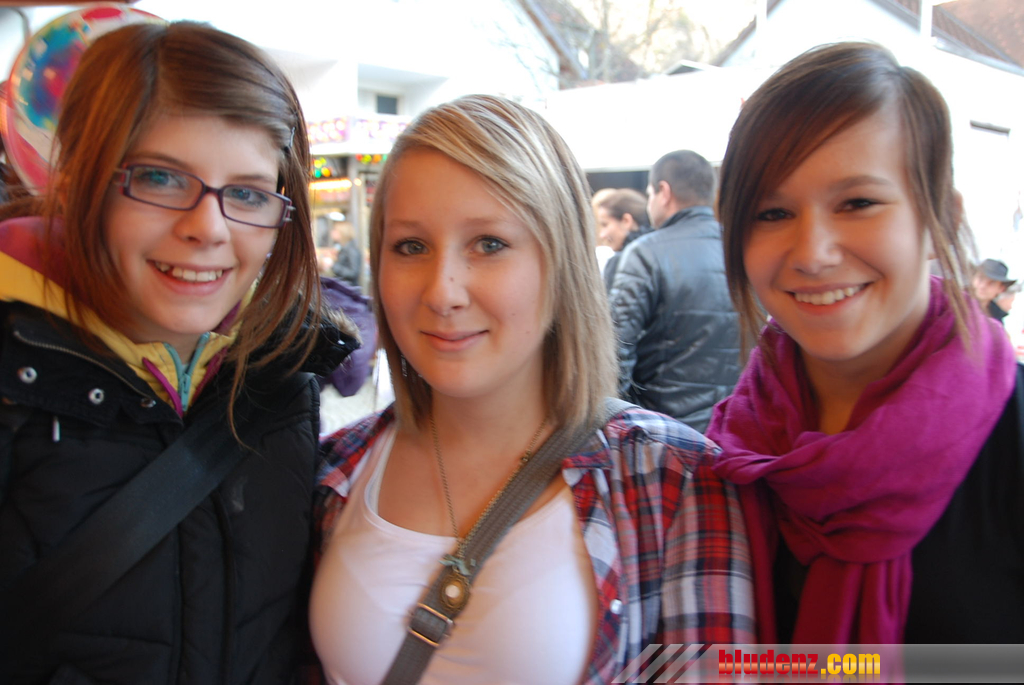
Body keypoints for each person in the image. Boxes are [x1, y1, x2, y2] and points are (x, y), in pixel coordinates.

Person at [310, 94, 754, 684]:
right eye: (411, 246)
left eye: (489, 244)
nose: (442, 291)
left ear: (562, 260)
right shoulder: (333, 468)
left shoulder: (674, 479)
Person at [0, 21, 357, 683]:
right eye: (161, 178)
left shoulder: (283, 380)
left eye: (247, 193)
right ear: (78, 179)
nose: (208, 228)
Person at [707, 41, 1023, 644]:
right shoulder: (729, 450)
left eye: (858, 203)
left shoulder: (1012, 437)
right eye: (772, 213)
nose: (813, 253)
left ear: (941, 218)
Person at [608, 149, 740, 432]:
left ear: (664, 192)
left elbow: (617, 347)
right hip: (733, 428)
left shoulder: (645, 253)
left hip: (664, 431)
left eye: (650, 194)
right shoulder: (742, 249)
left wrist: (619, 422)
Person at [594, 187, 651, 291]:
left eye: (605, 224)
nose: (602, 235)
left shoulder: (620, 262)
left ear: (626, 221)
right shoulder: (662, 252)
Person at [972, 258, 1016, 322]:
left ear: (1001, 289)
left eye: (991, 283)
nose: (983, 286)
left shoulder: (997, 321)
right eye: (981, 278)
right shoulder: (957, 305)